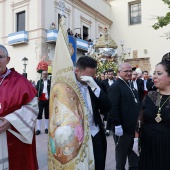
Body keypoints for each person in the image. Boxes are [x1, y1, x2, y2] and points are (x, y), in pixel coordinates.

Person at [0, 45, 38, 169]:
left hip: (14, 139)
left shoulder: (20, 81)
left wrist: (11, 120)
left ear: (8, 59)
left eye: (0, 57)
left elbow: (32, 107)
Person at [75, 56, 112, 170]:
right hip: (76, 138)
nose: (90, 79)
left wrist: (94, 86)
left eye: (93, 76)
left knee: (99, 165)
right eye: (87, 76)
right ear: (77, 71)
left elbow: (107, 106)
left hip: (95, 133)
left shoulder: (94, 83)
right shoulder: (68, 85)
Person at [138, 52, 170, 170]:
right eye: (154, 73)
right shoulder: (150, 95)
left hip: (166, 149)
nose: (154, 76)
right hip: (148, 147)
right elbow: (141, 118)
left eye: (159, 73)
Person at [108, 62, 140, 170]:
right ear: (119, 72)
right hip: (122, 130)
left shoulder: (130, 84)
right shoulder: (116, 87)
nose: (129, 73)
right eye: (126, 71)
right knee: (121, 158)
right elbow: (113, 107)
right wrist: (117, 124)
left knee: (134, 156)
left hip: (133, 129)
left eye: (130, 71)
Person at [36, 70, 51, 135]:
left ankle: (46, 128)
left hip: (47, 100)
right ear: (41, 75)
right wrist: (37, 97)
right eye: (43, 74)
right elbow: (36, 90)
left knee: (47, 114)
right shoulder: (39, 82)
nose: (44, 75)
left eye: (46, 74)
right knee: (39, 114)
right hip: (41, 100)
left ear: (47, 75)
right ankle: (38, 129)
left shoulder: (50, 82)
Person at [101, 69, 116, 136]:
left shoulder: (116, 82)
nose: (110, 75)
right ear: (107, 74)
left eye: (111, 74)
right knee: (106, 115)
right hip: (106, 101)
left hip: (114, 101)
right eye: (109, 74)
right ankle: (107, 129)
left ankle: (114, 127)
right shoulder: (103, 82)